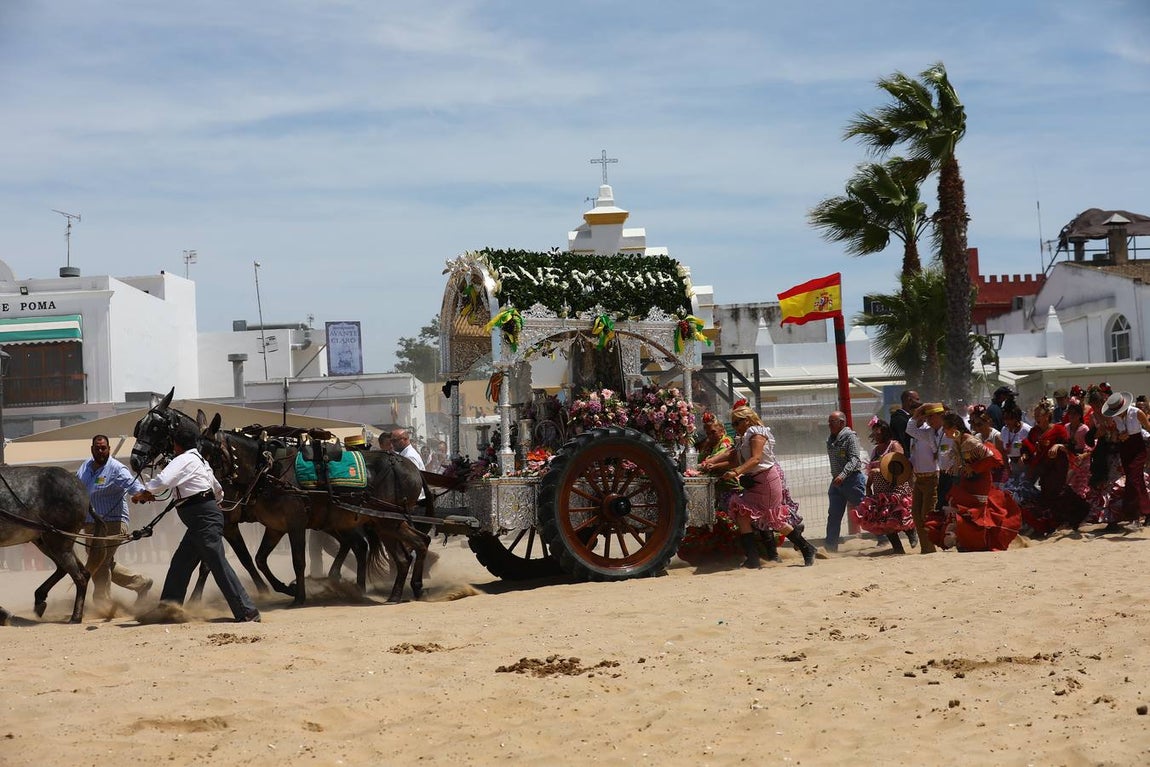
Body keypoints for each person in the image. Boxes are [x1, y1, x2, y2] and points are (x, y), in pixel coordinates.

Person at [131, 424, 260, 623]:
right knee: (181, 563)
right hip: (202, 518)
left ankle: (247, 610)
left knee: (218, 563)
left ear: (176, 444)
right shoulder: (199, 460)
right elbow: (217, 490)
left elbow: (164, 480)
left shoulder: (183, 459)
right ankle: (168, 609)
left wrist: (144, 492)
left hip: (202, 518)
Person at [700, 405, 816, 567]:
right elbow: (732, 455)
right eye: (732, 424)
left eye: (736, 423)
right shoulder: (744, 437)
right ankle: (753, 558)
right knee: (743, 515)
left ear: (747, 421)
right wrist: (710, 462)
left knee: (773, 520)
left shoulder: (757, 433)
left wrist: (735, 472)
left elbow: (755, 459)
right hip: (754, 481)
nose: (734, 427)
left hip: (766, 481)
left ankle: (806, 548)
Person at [76, 434, 152, 604]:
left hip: (113, 522)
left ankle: (102, 602)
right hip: (90, 524)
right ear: (92, 449)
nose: (101, 451)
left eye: (104, 448)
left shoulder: (117, 468)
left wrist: (141, 494)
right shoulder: (84, 467)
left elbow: (134, 486)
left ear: (109, 449)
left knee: (99, 560)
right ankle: (141, 583)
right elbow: (76, 489)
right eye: (97, 448)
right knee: (103, 562)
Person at [929, 412, 1021, 551]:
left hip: (979, 482)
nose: (944, 431)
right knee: (957, 507)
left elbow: (993, 458)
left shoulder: (970, 441)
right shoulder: (957, 441)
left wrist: (973, 468)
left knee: (972, 511)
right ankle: (966, 542)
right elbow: (956, 462)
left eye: (946, 428)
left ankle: (979, 542)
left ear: (954, 428)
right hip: (966, 481)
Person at [855, 418, 916, 553]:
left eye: (879, 433)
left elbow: (901, 466)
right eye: (875, 434)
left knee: (900, 516)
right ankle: (898, 548)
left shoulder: (894, 446)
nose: (876, 436)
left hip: (895, 487)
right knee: (884, 520)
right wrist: (868, 486)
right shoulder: (875, 450)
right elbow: (870, 470)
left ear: (885, 433)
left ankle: (911, 533)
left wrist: (882, 470)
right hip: (880, 490)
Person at [1101, 391, 1150, 527]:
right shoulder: (1116, 418)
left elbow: (1148, 427)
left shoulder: (1136, 413)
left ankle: (1133, 515)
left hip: (1138, 447)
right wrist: (1119, 436)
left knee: (1133, 479)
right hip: (1125, 449)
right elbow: (1116, 434)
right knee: (1136, 480)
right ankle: (1146, 512)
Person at [906, 402, 946, 554]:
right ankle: (926, 548)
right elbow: (910, 429)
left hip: (933, 478)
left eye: (931, 416)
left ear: (940, 416)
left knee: (927, 514)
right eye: (926, 416)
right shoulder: (927, 433)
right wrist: (916, 415)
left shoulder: (944, 432)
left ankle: (932, 547)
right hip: (920, 478)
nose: (929, 419)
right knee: (916, 514)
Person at [824, 411, 866, 553]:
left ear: (842, 423)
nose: (829, 425)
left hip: (852, 480)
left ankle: (883, 539)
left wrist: (842, 475)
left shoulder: (850, 437)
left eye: (832, 422)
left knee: (864, 510)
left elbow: (854, 459)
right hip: (836, 483)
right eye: (829, 422)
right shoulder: (830, 439)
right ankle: (830, 547)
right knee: (834, 515)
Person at [890, 390, 920, 455]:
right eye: (917, 399)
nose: (918, 402)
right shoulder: (899, 418)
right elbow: (903, 440)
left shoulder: (910, 417)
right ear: (910, 400)